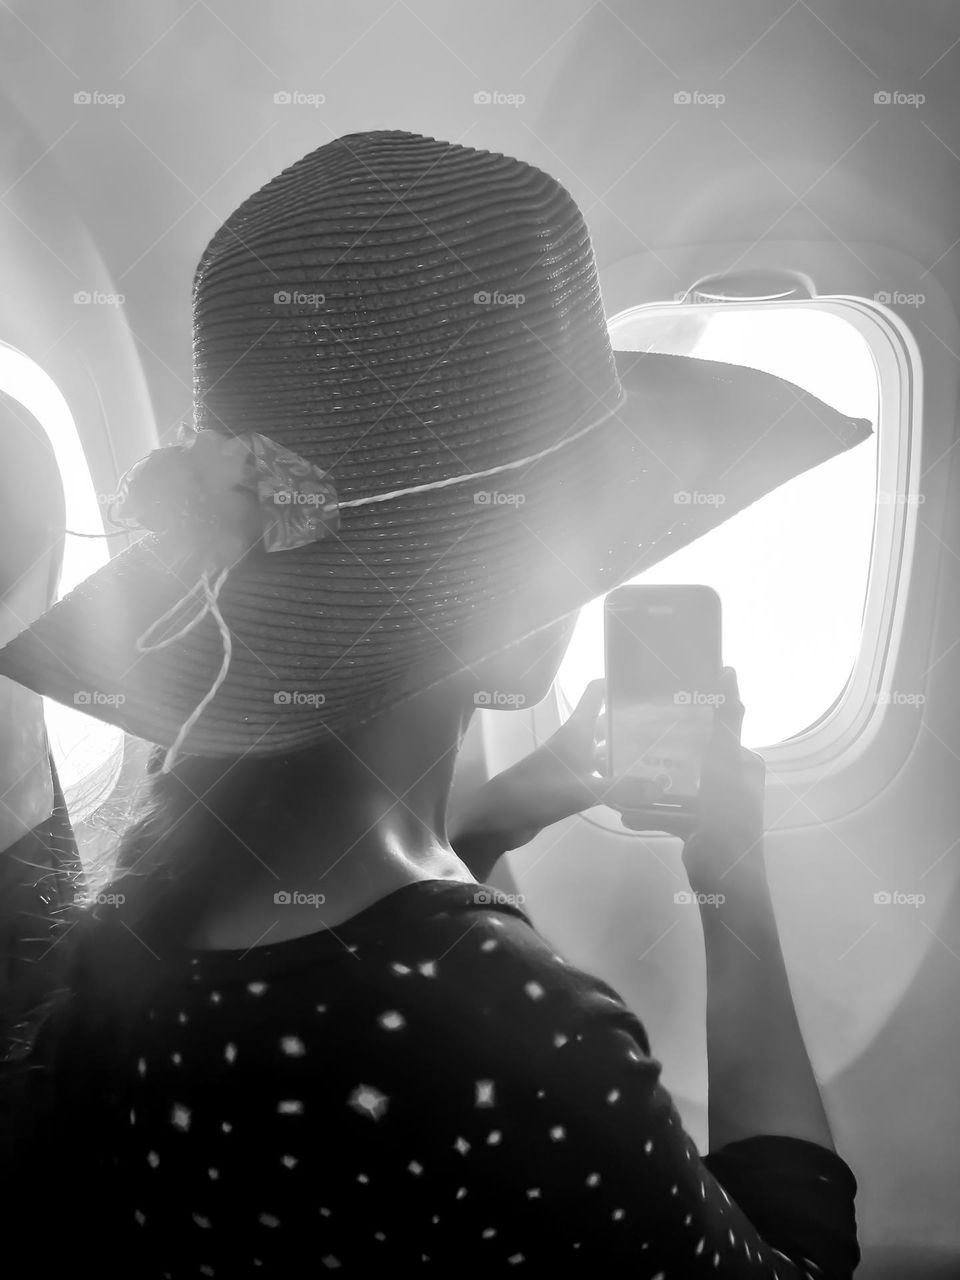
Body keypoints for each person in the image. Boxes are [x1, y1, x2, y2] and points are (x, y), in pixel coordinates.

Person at [0, 130, 867, 1277]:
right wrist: (733, 883)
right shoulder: (520, 1034)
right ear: (526, 582)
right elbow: (799, 1261)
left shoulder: (140, 914)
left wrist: (509, 808)